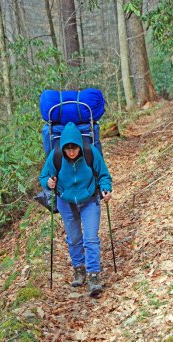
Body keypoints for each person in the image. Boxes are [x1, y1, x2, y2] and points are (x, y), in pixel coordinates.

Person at [39, 122, 112, 297]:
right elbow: (43, 177)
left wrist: (106, 188)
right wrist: (48, 183)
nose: (71, 152)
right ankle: (79, 270)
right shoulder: (55, 156)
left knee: (91, 238)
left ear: (80, 145)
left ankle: (94, 276)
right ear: (62, 148)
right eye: (67, 149)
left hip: (89, 200)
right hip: (66, 202)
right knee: (73, 239)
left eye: (74, 148)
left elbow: (103, 175)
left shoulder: (90, 153)